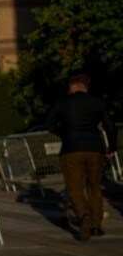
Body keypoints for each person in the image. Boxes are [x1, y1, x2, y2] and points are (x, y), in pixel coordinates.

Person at [45, 73, 117, 241]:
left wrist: (63, 133)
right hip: (95, 149)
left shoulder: (63, 102)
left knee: (74, 188)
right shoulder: (97, 103)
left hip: (71, 150)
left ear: (73, 85)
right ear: (86, 87)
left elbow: (48, 122)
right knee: (95, 187)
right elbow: (111, 127)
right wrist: (111, 147)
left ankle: (83, 217)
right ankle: (96, 226)